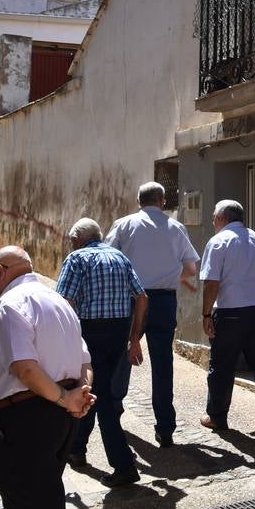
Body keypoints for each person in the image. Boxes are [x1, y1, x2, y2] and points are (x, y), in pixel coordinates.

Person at [0, 245, 95, 509]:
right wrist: (82, 391)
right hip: (60, 418)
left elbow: (25, 368)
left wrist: (68, 398)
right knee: (45, 491)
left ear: (0, 271)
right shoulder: (59, 302)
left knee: (25, 496)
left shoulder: (10, 303)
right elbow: (85, 362)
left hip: (25, 416)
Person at [103, 181, 200, 446]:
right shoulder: (177, 228)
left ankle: (113, 413)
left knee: (122, 356)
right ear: (162, 201)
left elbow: (111, 260)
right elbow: (190, 269)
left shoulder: (123, 225)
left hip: (131, 299)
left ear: (139, 201)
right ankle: (165, 427)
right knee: (162, 363)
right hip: (164, 301)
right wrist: (169, 275)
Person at [56, 218, 148, 487]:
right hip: (118, 332)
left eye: (72, 241)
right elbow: (142, 297)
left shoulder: (77, 259)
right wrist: (134, 337)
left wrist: (64, 338)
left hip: (90, 331)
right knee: (97, 388)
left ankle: (123, 465)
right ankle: (76, 448)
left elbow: (64, 302)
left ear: (78, 239)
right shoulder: (119, 257)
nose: (71, 245)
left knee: (98, 394)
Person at [199, 199, 255, 433]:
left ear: (221, 218)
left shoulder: (218, 241)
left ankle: (216, 416)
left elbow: (211, 282)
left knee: (222, 365)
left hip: (230, 311)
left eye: (214, 217)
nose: (213, 221)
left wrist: (207, 314)